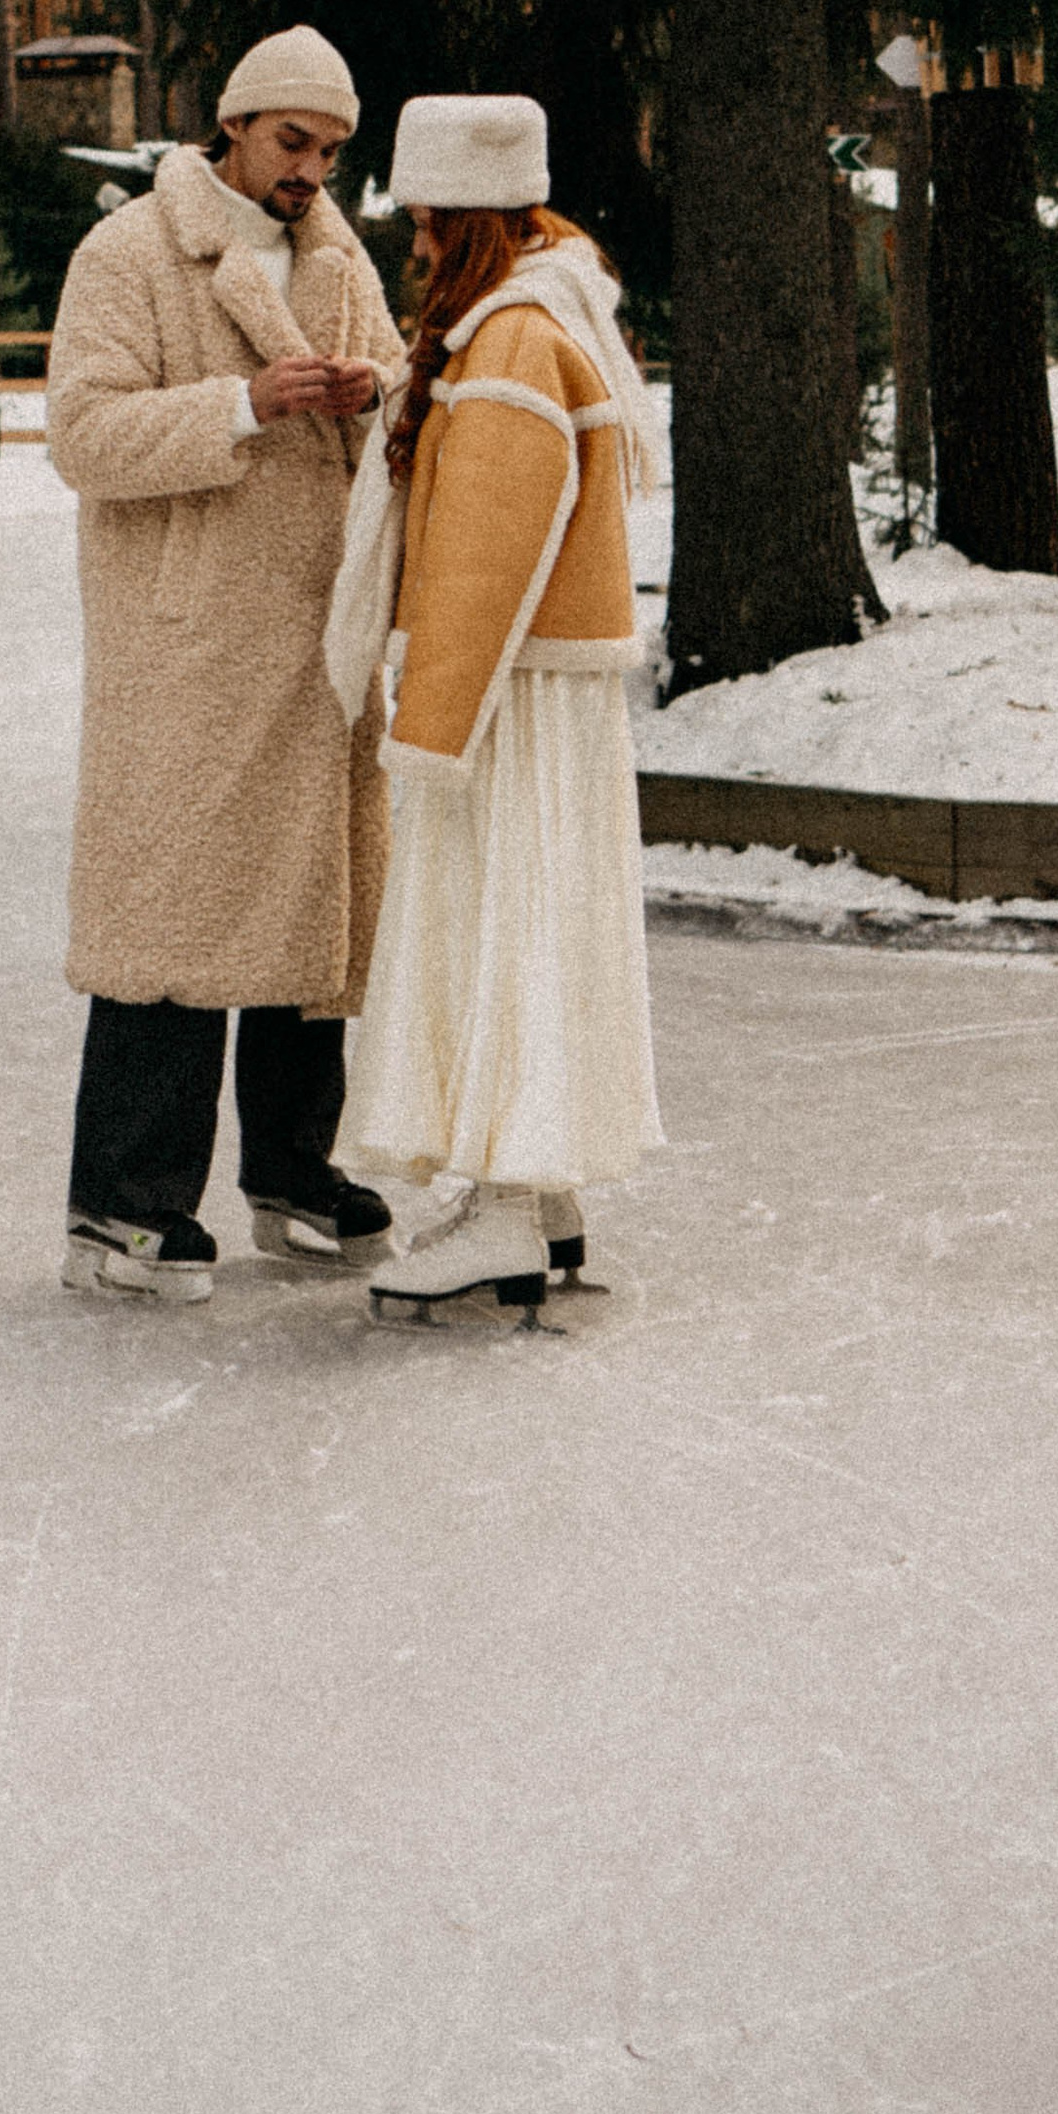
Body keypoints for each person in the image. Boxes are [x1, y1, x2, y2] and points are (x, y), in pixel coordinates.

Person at [46, 24, 409, 1304]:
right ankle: (121, 1205)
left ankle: (293, 1171)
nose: (311, 170)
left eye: (330, 151)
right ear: (234, 125)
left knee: (312, 907)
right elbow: (82, 437)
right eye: (292, 141)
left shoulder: (337, 257)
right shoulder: (130, 252)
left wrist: (374, 396)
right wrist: (247, 406)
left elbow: (402, 382)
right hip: (187, 650)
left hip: (318, 640)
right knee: (177, 918)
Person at [324, 93, 663, 1322]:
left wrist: (433, 717)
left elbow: (487, 547)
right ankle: (539, 1190)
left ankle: (514, 1202)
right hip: (531, 696)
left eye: (424, 220)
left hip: (507, 701)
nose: (411, 245)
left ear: (467, 218)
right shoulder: (538, 316)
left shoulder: (513, 339)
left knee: (503, 926)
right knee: (535, 921)